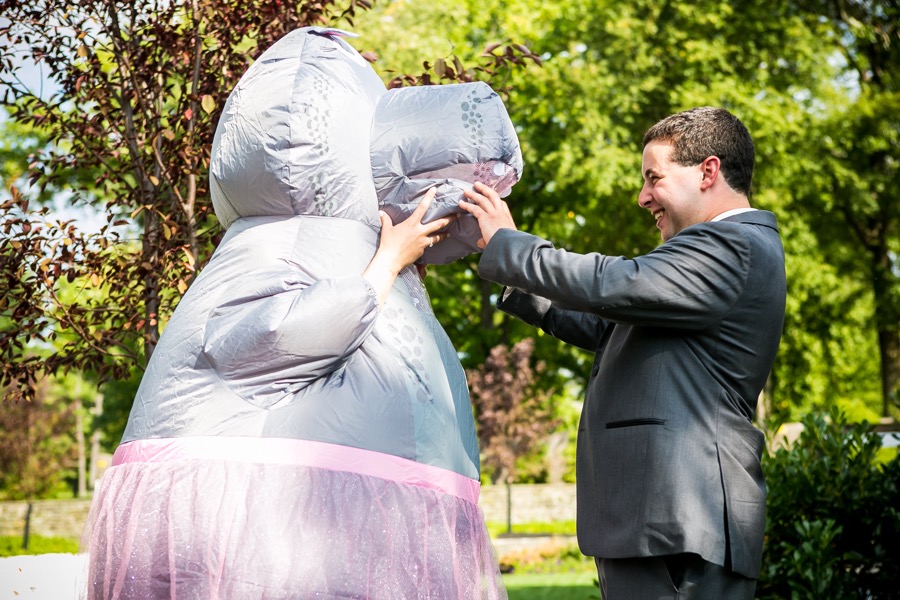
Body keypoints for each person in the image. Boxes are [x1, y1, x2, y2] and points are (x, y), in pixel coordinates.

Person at [80, 27, 521, 599]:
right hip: (270, 508)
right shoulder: (284, 246)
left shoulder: (338, 243)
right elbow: (266, 336)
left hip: (381, 503)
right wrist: (383, 266)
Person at [459, 106, 786, 599]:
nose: (643, 197)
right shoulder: (709, 254)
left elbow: (613, 282)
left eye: (654, 178)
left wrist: (513, 246)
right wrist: (507, 268)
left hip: (679, 522)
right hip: (659, 524)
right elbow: (603, 322)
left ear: (708, 171)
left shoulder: (734, 245)